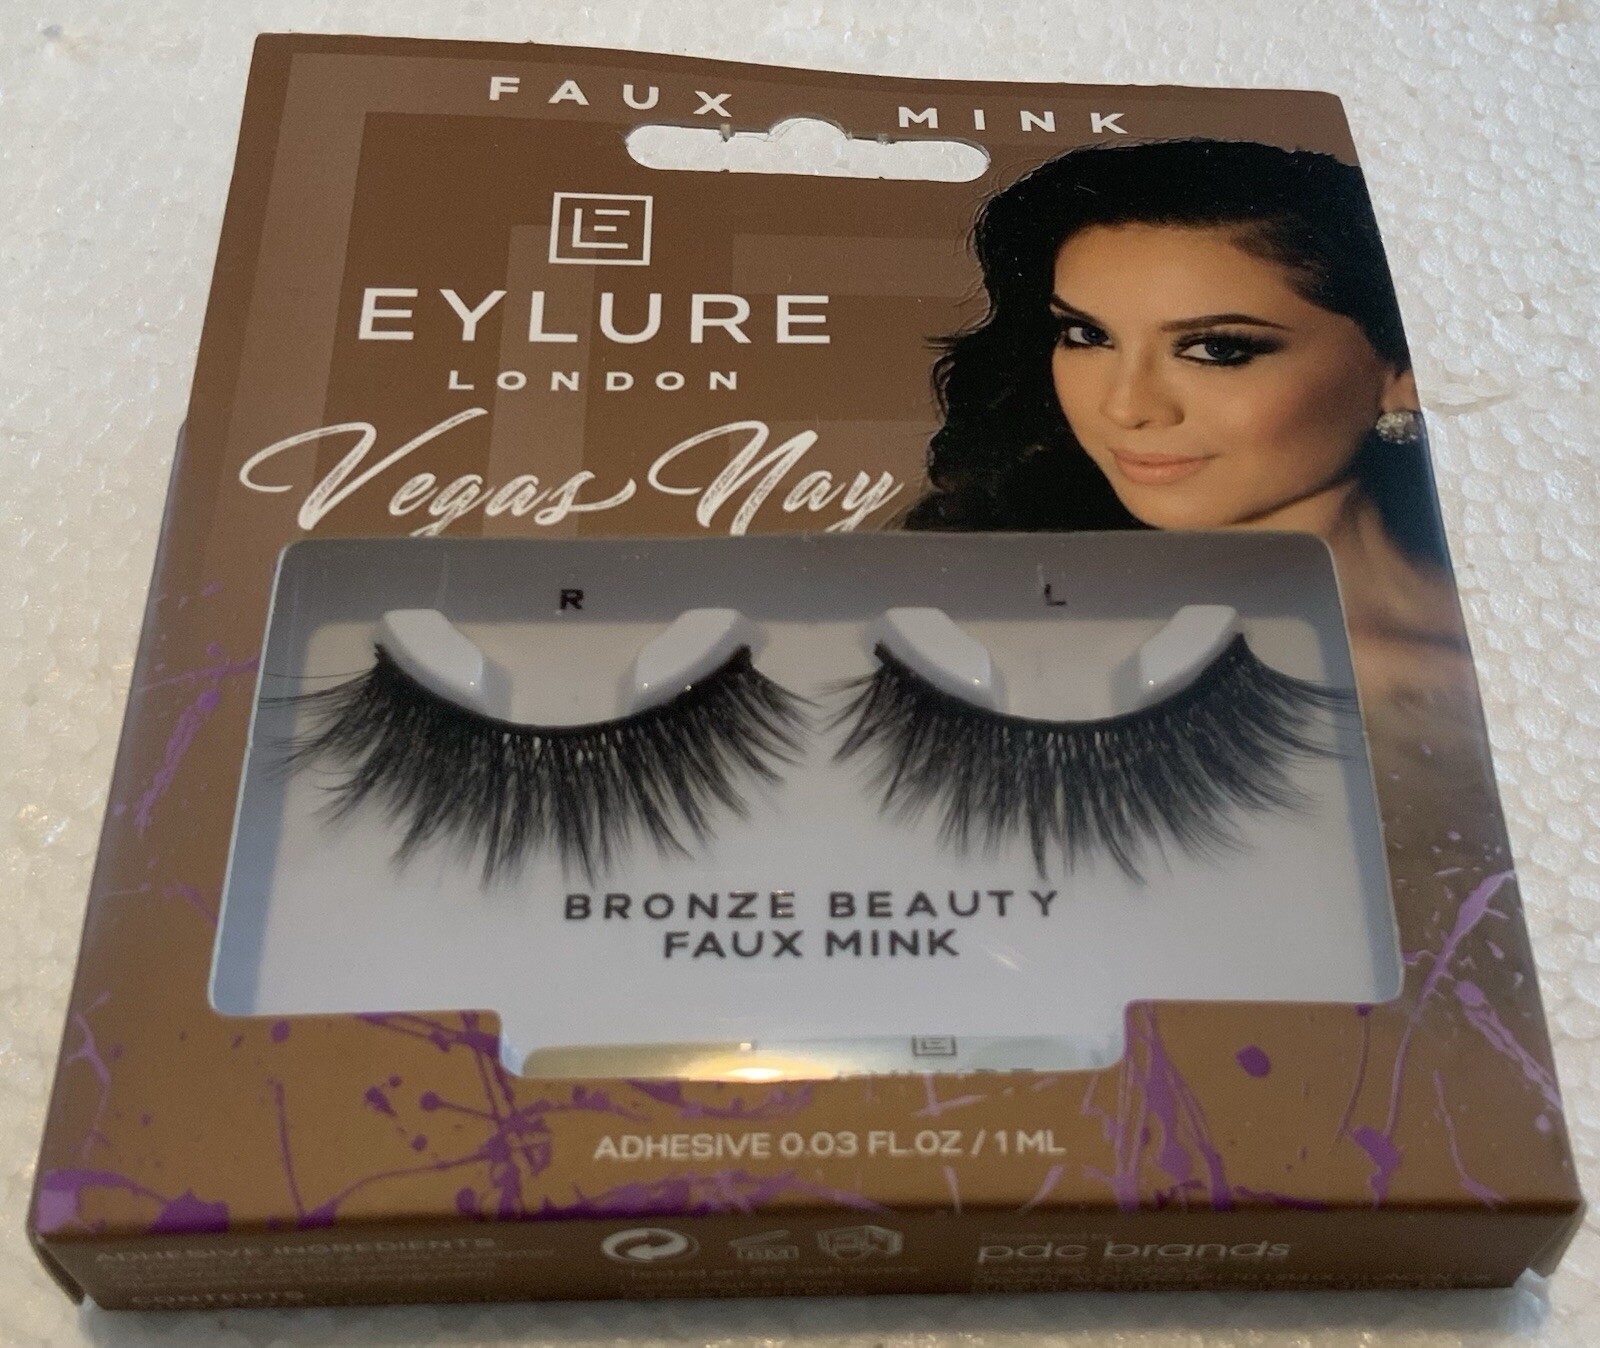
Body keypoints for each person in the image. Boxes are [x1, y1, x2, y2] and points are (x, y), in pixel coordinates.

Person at [905, 138, 1469, 701]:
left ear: (1404, 371)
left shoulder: (1496, 633)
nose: (1125, 408)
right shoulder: (989, 641)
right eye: (1088, 335)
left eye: (1216, 350)